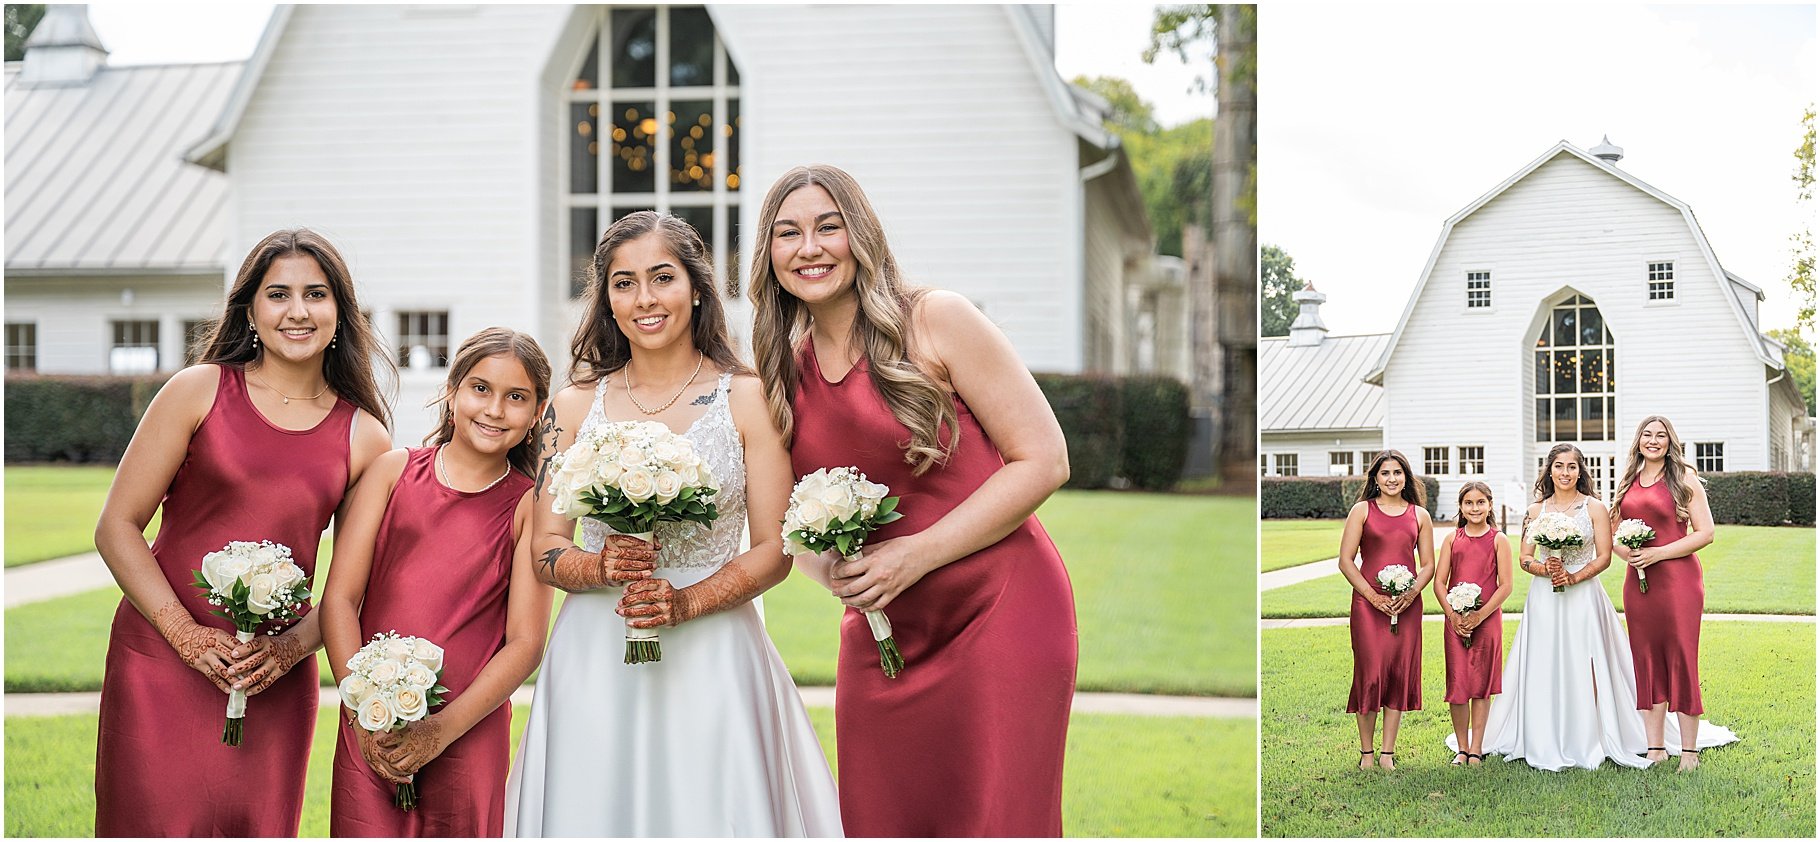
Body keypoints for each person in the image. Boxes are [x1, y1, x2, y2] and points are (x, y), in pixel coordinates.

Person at [748, 164, 1077, 836]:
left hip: (1001, 611)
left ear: (859, 235)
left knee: (994, 819)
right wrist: (831, 571)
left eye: (827, 227)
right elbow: (790, 520)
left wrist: (917, 555)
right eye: (787, 233)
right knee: (880, 818)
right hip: (883, 633)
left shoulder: (937, 319)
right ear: (768, 255)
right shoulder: (780, 371)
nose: (808, 247)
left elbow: (1044, 459)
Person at [505, 211, 840, 836]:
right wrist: (598, 566)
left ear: (695, 286)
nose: (644, 300)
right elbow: (546, 548)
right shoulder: (573, 406)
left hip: (714, 653)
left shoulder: (747, 397)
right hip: (596, 649)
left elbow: (774, 549)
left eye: (662, 278)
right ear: (605, 298)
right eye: (624, 283)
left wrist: (684, 603)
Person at [92, 229, 394, 836]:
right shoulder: (197, 391)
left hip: (272, 681)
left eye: (316, 294)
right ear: (250, 308)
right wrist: (187, 637)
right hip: (160, 661)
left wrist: (286, 652)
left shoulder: (365, 437)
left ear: (341, 311)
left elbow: (351, 590)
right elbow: (117, 528)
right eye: (278, 294)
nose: (298, 311)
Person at [321, 328, 552, 835]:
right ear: (452, 392)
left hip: (467, 731)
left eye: (517, 398)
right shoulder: (391, 473)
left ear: (537, 415)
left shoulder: (530, 505)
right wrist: (364, 709)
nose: (494, 409)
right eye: (480, 388)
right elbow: (339, 600)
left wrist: (440, 731)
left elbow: (525, 643)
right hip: (371, 725)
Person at [1472, 443, 1735, 770]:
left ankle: (1595, 732)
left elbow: (1605, 556)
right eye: (1558, 466)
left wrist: (1574, 576)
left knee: (1587, 661)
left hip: (1583, 595)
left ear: (1581, 471)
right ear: (1549, 470)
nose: (1565, 473)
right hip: (1544, 599)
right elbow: (1525, 558)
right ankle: (1542, 732)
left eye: (1572, 467)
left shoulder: (1595, 507)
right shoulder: (1536, 511)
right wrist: (1547, 569)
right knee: (1544, 660)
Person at [1611, 415, 1720, 771]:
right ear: (1638, 441)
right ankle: (1655, 746)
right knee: (1645, 658)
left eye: (1660, 435)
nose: (1653, 441)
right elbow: (1613, 533)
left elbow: (1705, 533)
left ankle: (1689, 751)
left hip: (1678, 583)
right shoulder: (1628, 480)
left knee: (1681, 658)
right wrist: (1628, 554)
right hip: (1638, 583)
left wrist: (1659, 552)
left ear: (1670, 441)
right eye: (1647, 435)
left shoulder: (1684, 479)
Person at [1337, 450, 1433, 770]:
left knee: (1397, 674)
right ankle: (1366, 753)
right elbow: (1346, 561)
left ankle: (1388, 754)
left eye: (1398, 473)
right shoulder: (1362, 510)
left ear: (1406, 477)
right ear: (1375, 478)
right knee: (1370, 672)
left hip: (1407, 605)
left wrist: (1412, 592)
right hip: (1368, 604)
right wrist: (1372, 596)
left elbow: (1428, 565)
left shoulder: (1420, 515)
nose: (1392, 479)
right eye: (1385, 473)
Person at [1433, 481, 1511, 766]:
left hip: (1487, 620)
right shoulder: (1452, 539)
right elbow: (1439, 582)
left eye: (1480, 502)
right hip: (1455, 621)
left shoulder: (1498, 539)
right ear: (1461, 507)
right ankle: (1462, 748)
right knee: (1458, 684)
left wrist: (1480, 615)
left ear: (1489, 505)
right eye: (1469, 503)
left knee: (1481, 685)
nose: (1474, 508)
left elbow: (1505, 586)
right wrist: (1453, 615)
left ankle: (1477, 748)